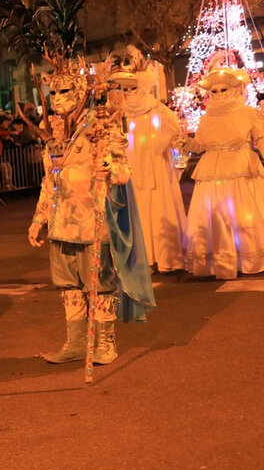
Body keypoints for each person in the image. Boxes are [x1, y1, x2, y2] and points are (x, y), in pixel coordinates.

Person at [25, 49, 155, 366]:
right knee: (69, 288)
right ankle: (75, 342)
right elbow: (49, 182)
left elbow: (124, 172)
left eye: (64, 90)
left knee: (100, 286)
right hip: (61, 225)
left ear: (80, 92)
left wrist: (108, 165)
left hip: (94, 222)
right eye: (52, 91)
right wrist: (39, 218)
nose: (57, 97)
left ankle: (105, 343)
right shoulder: (52, 137)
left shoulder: (102, 128)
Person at [109, 48, 188, 272]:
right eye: (124, 89)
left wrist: (164, 145)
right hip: (129, 171)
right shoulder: (119, 114)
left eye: (132, 88)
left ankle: (165, 258)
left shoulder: (159, 111)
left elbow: (176, 136)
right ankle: (141, 260)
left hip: (156, 171)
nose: (128, 93)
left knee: (157, 211)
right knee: (136, 213)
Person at [184, 64, 264, 279]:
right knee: (215, 216)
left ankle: (247, 257)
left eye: (223, 90)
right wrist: (184, 141)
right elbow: (199, 145)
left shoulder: (248, 113)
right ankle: (219, 259)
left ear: (234, 90)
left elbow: (261, 137)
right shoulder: (206, 118)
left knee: (242, 215)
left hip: (240, 167)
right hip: (212, 170)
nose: (218, 94)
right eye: (214, 91)